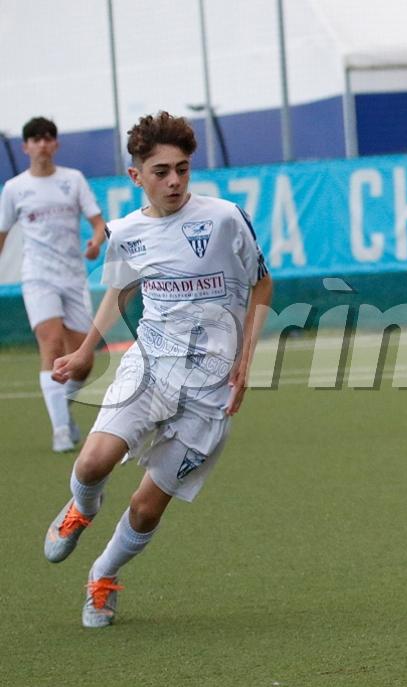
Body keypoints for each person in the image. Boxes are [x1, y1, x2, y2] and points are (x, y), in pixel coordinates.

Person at [43, 111, 272, 628]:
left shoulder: (225, 218)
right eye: (161, 171)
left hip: (211, 387)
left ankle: (102, 576)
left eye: (182, 169)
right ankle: (82, 507)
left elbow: (262, 283)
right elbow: (120, 291)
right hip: (150, 365)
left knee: (147, 509)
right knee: (91, 464)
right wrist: (85, 351)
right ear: (136, 176)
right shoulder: (126, 232)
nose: (174, 181)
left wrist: (244, 359)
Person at [0, 117, 108, 452]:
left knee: (82, 360)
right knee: (51, 344)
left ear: (56, 144)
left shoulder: (72, 180)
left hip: (73, 277)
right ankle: (60, 431)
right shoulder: (14, 188)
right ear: (26, 147)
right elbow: (2, 234)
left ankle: (62, 410)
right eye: (36, 139)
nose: (42, 144)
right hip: (38, 277)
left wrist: (95, 242)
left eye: (48, 138)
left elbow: (98, 223)